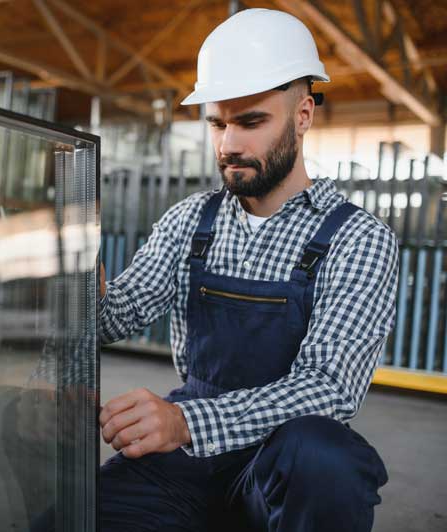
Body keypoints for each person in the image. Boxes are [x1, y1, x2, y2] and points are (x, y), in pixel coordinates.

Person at [97, 8, 397, 532]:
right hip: (186, 460)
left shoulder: (358, 238)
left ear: (303, 115)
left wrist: (187, 422)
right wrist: (78, 275)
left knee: (325, 456)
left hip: (277, 465)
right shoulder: (192, 220)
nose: (229, 144)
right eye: (218, 122)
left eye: (252, 122)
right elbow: (115, 316)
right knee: (79, 513)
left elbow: (328, 387)